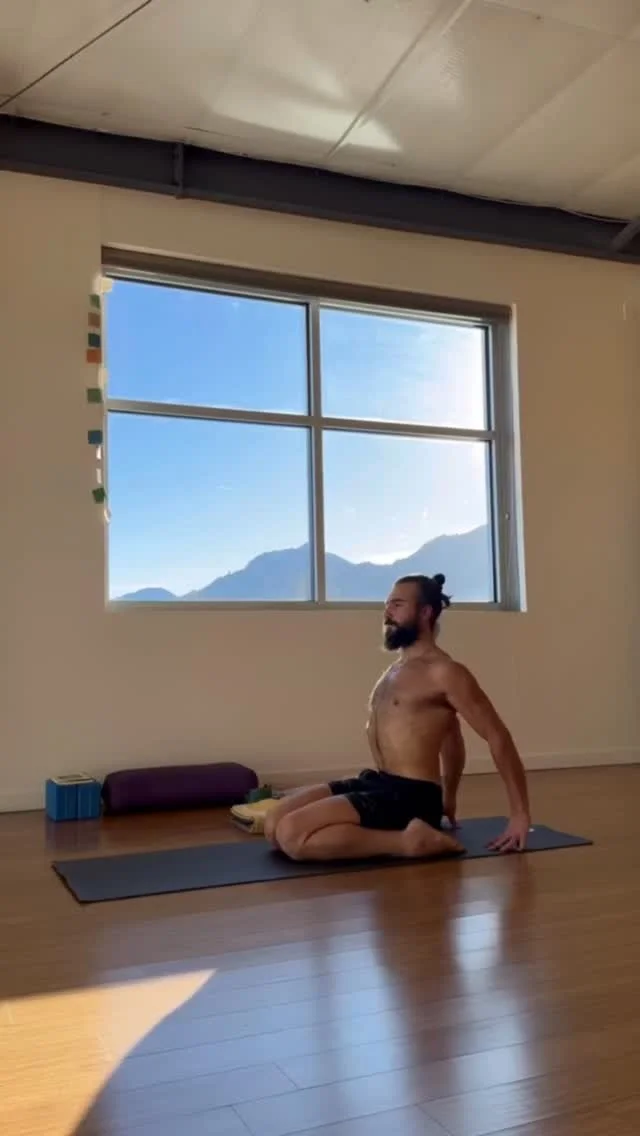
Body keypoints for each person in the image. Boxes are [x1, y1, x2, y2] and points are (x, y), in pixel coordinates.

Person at [264, 573, 531, 862]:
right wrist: (449, 798)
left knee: (292, 835)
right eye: (387, 605)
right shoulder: (394, 670)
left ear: (425, 612)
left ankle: (408, 842)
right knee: (274, 824)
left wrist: (519, 814)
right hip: (380, 783)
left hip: (411, 796)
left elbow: (497, 736)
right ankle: (401, 835)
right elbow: (451, 737)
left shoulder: (445, 672)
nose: (387, 613)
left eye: (398, 605)